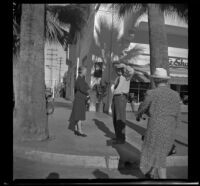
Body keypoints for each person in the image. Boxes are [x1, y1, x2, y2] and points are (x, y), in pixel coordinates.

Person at [136, 68, 181, 179]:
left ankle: (162, 178)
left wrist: (139, 114)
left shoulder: (151, 93)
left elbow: (143, 107)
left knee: (158, 157)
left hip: (155, 128)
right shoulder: (175, 94)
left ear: (155, 80)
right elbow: (178, 114)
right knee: (160, 153)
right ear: (166, 81)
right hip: (169, 128)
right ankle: (151, 173)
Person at [111, 63, 134, 145]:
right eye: (117, 69)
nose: (117, 70)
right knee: (115, 118)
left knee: (120, 118)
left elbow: (131, 71)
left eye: (119, 69)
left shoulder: (126, 76)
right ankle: (118, 136)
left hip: (121, 97)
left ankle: (121, 138)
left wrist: (124, 66)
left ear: (122, 70)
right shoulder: (118, 77)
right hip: (116, 97)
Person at [68, 66, 90, 137]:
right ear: (82, 71)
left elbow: (85, 87)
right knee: (79, 115)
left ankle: (78, 130)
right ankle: (80, 131)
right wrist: (88, 92)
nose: (86, 72)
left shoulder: (81, 79)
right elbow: (83, 88)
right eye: (85, 71)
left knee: (79, 115)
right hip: (79, 99)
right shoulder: (79, 79)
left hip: (80, 99)